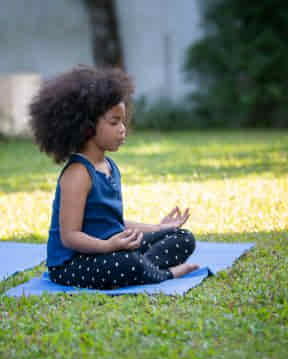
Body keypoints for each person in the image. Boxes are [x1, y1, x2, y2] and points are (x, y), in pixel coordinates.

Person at [29, 65, 199, 290]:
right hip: (73, 264)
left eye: (123, 121)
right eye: (114, 122)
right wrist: (108, 246)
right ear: (87, 127)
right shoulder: (78, 174)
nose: (122, 129)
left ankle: (144, 269)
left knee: (182, 237)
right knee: (128, 263)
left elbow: (113, 223)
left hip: (110, 249)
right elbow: (69, 237)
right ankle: (163, 273)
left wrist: (158, 228)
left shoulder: (109, 166)